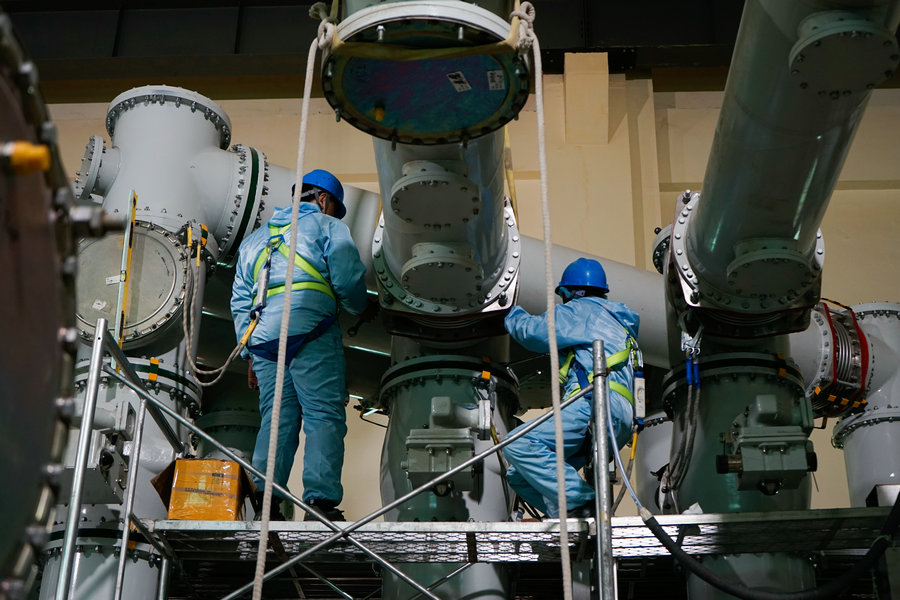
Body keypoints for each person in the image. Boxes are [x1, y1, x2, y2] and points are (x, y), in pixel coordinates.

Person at [230, 169, 372, 522]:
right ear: (323, 199)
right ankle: (320, 503)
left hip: (264, 343)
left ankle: (265, 501)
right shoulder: (328, 226)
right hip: (311, 333)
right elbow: (347, 279)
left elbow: (240, 301)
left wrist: (249, 353)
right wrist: (361, 308)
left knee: (276, 421)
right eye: (333, 207)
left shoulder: (255, 240)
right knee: (323, 415)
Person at [503, 257, 639, 518]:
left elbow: (533, 332)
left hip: (594, 402)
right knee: (518, 476)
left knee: (518, 443)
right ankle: (570, 517)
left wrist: (509, 311)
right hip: (620, 416)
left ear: (571, 292)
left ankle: (583, 502)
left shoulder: (582, 310)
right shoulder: (618, 322)